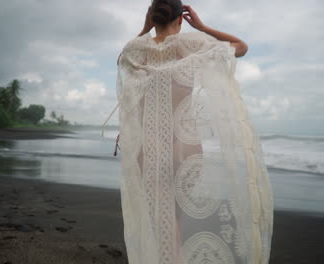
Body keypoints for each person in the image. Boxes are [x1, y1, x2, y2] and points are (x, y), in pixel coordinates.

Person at [113, 0, 274, 263]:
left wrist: (144, 30)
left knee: (159, 221)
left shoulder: (137, 50)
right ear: (180, 19)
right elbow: (241, 48)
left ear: (152, 18)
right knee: (174, 219)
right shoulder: (190, 45)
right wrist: (202, 26)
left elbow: (121, 60)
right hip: (183, 147)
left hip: (147, 146)